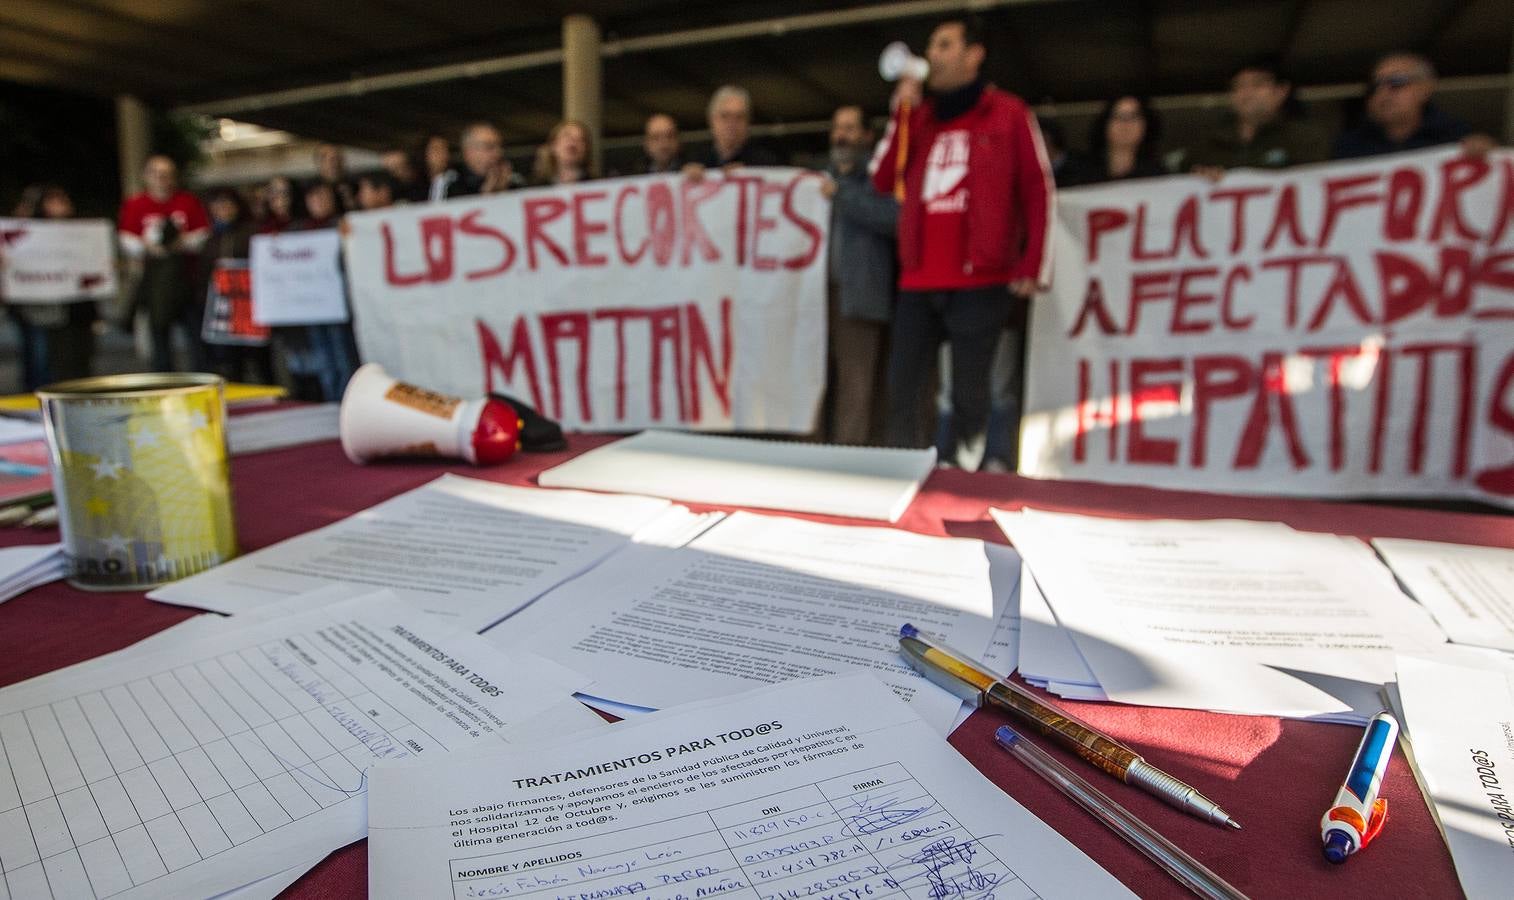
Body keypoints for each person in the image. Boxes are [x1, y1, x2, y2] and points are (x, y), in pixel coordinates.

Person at [869, 16, 1053, 470]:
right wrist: (902, 115)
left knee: (972, 388)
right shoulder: (922, 118)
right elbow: (882, 177)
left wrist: (1032, 265)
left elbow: (1037, 188)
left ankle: (966, 469)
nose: (933, 54)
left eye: (945, 44)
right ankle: (901, 468)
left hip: (981, 276)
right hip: (918, 277)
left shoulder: (1008, 113)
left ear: (974, 55)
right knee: (903, 383)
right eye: (932, 45)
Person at [819, 106, 898, 445]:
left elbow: (894, 219)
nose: (842, 135)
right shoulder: (815, 178)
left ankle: (847, 458)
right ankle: (810, 456)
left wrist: (841, 195)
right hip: (815, 297)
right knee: (814, 382)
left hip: (860, 294)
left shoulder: (882, 178)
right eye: (838, 127)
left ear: (867, 136)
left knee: (856, 382)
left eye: (851, 128)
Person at [118, 154, 210, 371]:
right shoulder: (135, 204)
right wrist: (148, 247)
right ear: (146, 176)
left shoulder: (187, 201)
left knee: (196, 337)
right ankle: (164, 382)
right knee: (159, 337)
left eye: (167, 174)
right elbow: (126, 238)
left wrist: (182, 242)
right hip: (154, 284)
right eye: (156, 174)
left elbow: (204, 233)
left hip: (188, 280)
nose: (162, 179)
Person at [272, 181, 358, 402]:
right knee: (323, 359)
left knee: (343, 356)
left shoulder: (346, 224)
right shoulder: (297, 229)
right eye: (313, 197)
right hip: (313, 308)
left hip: (341, 307)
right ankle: (331, 400)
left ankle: (348, 401)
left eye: (322, 196)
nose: (318, 202)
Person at [3, 186, 96, 387]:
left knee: (73, 360)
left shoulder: (83, 234)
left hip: (73, 312)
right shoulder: (28, 233)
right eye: (53, 201)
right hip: (37, 311)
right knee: (40, 360)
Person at [1333, 52, 1497, 159]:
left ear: (1425, 88)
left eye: (1396, 83)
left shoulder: (1456, 138)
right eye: (1374, 86)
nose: (1383, 93)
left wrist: (1489, 155)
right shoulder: (1349, 147)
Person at [1184, 59, 1329, 174]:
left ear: (1281, 91)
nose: (1246, 93)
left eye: (1257, 84)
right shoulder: (1207, 143)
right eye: (1238, 86)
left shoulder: (1304, 138)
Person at [197, 187, 272, 384]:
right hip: (225, 315)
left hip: (251, 311)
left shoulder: (252, 233)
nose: (223, 209)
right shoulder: (210, 240)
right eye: (217, 205)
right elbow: (203, 276)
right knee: (231, 363)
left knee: (261, 360)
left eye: (227, 203)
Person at [1060, 96, 1167, 186]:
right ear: (1105, 125)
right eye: (1118, 116)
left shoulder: (1159, 177)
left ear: (1145, 126)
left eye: (1134, 117)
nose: (1126, 124)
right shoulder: (1080, 174)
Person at [691, 85, 779, 171]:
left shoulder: (765, 164)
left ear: (748, 122)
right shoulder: (695, 161)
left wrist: (748, 173)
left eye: (739, 117)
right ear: (712, 120)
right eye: (724, 116)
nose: (732, 123)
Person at [446, 122, 515, 198]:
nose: (498, 153)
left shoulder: (514, 180)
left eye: (500, 146)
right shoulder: (450, 184)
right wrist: (486, 196)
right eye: (489, 147)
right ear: (468, 152)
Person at [532, 121, 597, 186]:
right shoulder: (535, 187)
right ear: (553, 145)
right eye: (567, 136)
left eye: (580, 139)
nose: (573, 142)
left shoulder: (596, 184)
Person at [314, 142, 357, 212]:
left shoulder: (356, 186)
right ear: (319, 162)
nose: (333, 163)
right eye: (326, 158)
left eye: (337, 158)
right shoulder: (311, 190)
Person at [420, 133, 455, 201]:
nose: (441, 153)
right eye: (436, 149)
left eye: (445, 149)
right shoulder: (417, 185)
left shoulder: (458, 181)